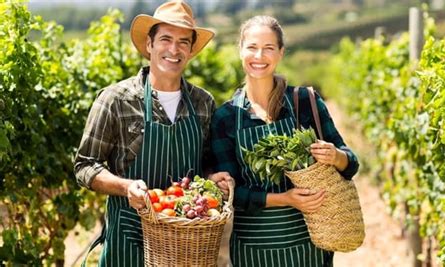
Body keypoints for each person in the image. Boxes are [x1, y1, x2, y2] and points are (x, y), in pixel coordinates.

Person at [74, 1, 231, 265]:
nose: (174, 49)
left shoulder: (203, 103)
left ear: (191, 50)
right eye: (166, 39)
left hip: (185, 246)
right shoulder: (116, 100)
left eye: (183, 42)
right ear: (150, 44)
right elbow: (84, 166)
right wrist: (126, 187)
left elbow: (205, 164)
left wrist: (214, 179)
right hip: (128, 242)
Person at [210, 15, 359, 266]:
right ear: (240, 51)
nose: (259, 56)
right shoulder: (226, 117)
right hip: (254, 249)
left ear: (281, 53)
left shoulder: (304, 102)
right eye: (252, 47)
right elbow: (233, 192)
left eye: (269, 48)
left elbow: (351, 165)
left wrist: (336, 156)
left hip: (309, 247)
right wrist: (285, 199)